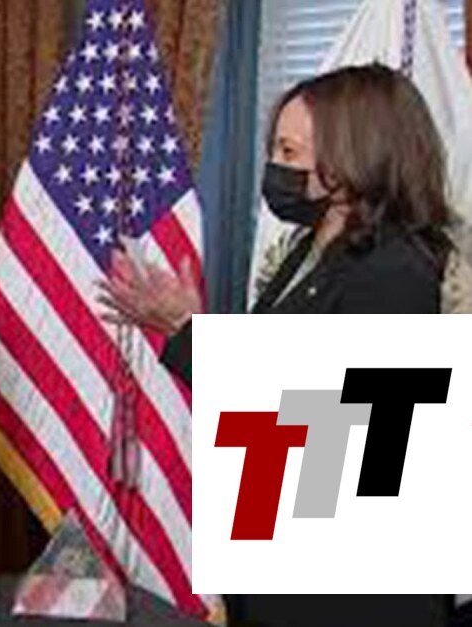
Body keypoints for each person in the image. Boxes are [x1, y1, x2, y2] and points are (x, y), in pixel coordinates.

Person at [99, 64, 455, 626]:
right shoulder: (309, 251)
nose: (275, 168)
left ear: (356, 157)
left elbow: (348, 443)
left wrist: (191, 333)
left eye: (290, 152)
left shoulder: (395, 271)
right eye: (275, 150)